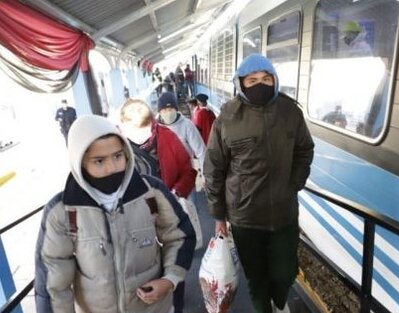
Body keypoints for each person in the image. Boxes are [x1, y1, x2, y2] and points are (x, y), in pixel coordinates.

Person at [34, 115, 196, 313]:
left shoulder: (151, 192)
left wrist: (169, 280)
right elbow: (53, 284)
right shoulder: (62, 211)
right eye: (99, 161)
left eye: (118, 156)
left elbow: (180, 235)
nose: (111, 168)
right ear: (80, 163)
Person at [203, 53, 314, 313]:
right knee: (256, 276)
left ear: (275, 80)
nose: (260, 85)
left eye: (266, 78)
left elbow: (304, 149)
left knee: (285, 272)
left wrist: (295, 183)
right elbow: (214, 169)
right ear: (240, 83)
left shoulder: (290, 112)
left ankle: (279, 301)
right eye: (252, 80)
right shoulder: (228, 118)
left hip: (284, 213)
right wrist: (219, 216)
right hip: (244, 216)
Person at [120, 96, 197, 313]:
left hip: (166, 221)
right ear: (122, 126)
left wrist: (174, 194)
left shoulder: (168, 138)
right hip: (133, 229)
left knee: (173, 276)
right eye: (133, 130)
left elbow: (188, 171)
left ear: (153, 122)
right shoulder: (113, 148)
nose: (140, 137)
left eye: (144, 129)